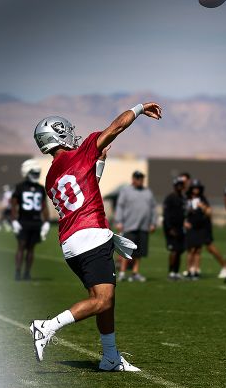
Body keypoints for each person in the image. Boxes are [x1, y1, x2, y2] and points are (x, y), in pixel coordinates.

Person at [28, 102, 163, 372]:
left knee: (104, 299)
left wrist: (99, 162)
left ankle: (111, 357)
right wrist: (139, 108)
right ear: (58, 134)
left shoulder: (51, 175)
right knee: (103, 300)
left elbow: (87, 187)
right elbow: (118, 126)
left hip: (71, 244)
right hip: (91, 237)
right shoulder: (82, 151)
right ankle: (46, 327)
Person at [7, 159, 50, 280]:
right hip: (23, 221)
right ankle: (17, 272)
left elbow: (44, 206)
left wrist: (46, 222)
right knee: (21, 245)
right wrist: (14, 220)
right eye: (34, 173)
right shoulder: (20, 187)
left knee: (31, 248)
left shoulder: (41, 188)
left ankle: (27, 273)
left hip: (36, 222)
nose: (36, 176)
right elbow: (13, 205)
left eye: (37, 174)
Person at [112, 170, 156, 282]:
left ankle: (135, 273)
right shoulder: (126, 191)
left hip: (144, 226)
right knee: (127, 251)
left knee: (139, 252)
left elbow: (153, 208)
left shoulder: (148, 192)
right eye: (138, 178)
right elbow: (120, 207)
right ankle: (122, 272)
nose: (140, 181)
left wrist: (153, 223)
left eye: (141, 179)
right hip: (129, 226)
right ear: (133, 179)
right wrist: (119, 221)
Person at [161, 173, 189, 280]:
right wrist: (170, 228)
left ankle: (176, 271)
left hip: (180, 227)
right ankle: (171, 272)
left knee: (180, 250)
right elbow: (166, 214)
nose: (180, 186)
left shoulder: (183, 197)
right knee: (173, 250)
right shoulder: (170, 198)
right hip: (171, 228)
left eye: (181, 185)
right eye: (178, 185)